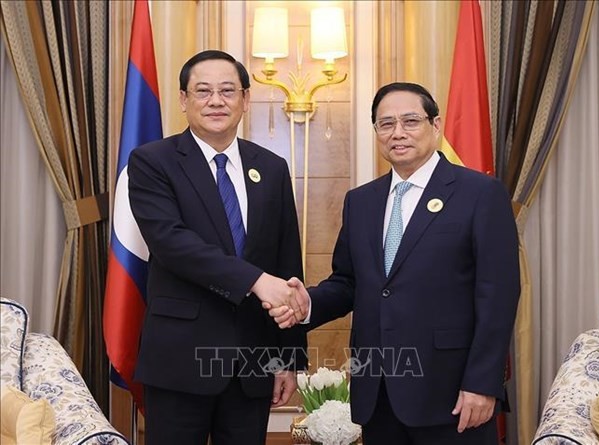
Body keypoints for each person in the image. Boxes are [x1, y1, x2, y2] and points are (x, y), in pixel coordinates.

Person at [270, 82, 520, 444]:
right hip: (378, 395)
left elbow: (498, 296)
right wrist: (307, 304)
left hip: (453, 394)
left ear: (435, 126)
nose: (397, 133)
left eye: (410, 121)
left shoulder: (480, 194)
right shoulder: (362, 201)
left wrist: (482, 384)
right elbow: (349, 283)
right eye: (386, 124)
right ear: (376, 132)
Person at [127, 50, 309, 445]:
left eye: (228, 91)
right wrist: (257, 280)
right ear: (183, 100)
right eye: (203, 91)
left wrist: (288, 359)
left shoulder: (272, 167)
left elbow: (286, 262)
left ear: (245, 99)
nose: (216, 101)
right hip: (180, 359)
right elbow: (172, 243)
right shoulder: (152, 162)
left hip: (252, 364)